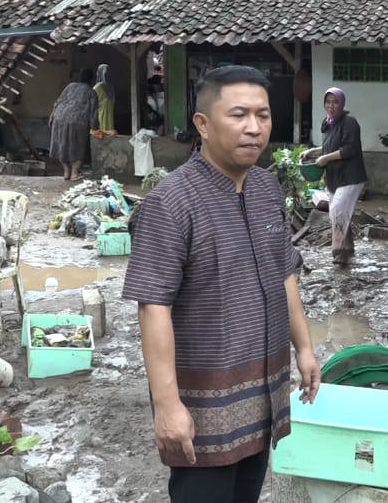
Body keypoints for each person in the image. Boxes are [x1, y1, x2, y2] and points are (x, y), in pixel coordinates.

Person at [122, 66, 320, 503]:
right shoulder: (172, 202)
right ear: (203, 125)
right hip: (204, 412)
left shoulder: (267, 189)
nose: (254, 128)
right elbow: (153, 306)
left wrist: (304, 348)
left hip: (263, 396)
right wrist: (167, 405)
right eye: (239, 115)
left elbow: (284, 272)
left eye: (263, 115)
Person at [311, 88, 367, 267]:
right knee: (340, 212)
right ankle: (348, 248)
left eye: (335, 102)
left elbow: (350, 149)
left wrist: (326, 158)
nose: (331, 106)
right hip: (335, 178)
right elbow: (329, 146)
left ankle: (339, 253)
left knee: (337, 210)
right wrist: (312, 151)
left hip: (351, 177)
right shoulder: (328, 123)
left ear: (342, 104)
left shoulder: (349, 122)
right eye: (328, 102)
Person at [48, 69, 98, 181]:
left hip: (59, 118)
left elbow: (58, 102)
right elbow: (93, 112)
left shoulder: (70, 86)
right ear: (92, 80)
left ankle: (66, 172)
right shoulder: (91, 92)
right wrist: (95, 128)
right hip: (78, 121)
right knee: (78, 147)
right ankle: (74, 173)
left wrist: (52, 116)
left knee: (62, 145)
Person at [93, 63, 115, 132]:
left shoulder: (111, 87)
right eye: (106, 72)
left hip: (110, 120)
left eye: (109, 72)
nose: (108, 74)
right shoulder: (97, 88)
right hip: (100, 120)